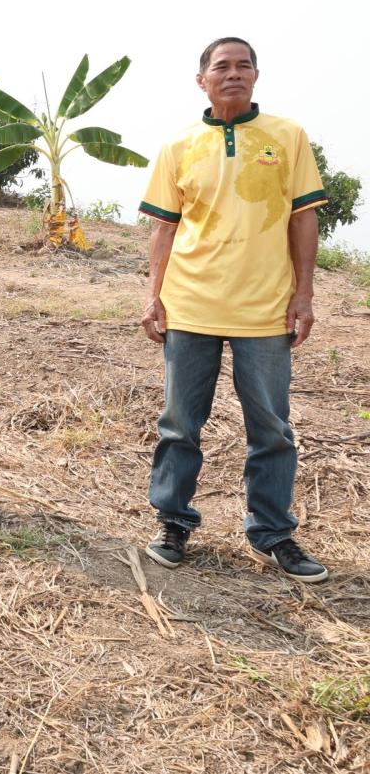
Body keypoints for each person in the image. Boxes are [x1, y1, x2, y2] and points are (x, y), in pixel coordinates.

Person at [139, 37, 329, 583]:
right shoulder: (178, 145)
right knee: (179, 425)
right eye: (221, 66)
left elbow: (302, 218)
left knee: (271, 428)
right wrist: (153, 296)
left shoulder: (287, 137)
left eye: (244, 65)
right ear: (201, 80)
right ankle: (173, 523)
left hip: (265, 309)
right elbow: (164, 227)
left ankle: (272, 533)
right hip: (190, 304)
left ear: (256, 77)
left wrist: (305, 293)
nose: (234, 73)